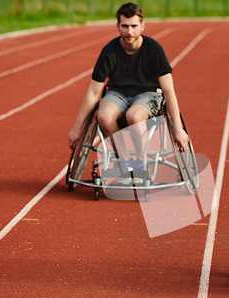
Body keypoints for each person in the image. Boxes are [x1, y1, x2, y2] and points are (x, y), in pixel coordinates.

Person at [68, 2, 189, 182]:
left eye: (134, 26)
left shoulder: (154, 49)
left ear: (142, 26)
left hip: (148, 94)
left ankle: (140, 166)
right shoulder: (109, 51)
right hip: (118, 93)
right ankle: (126, 163)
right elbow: (94, 92)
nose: (129, 32)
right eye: (125, 26)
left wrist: (178, 128)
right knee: (104, 116)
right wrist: (76, 129)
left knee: (133, 116)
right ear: (118, 26)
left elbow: (169, 90)